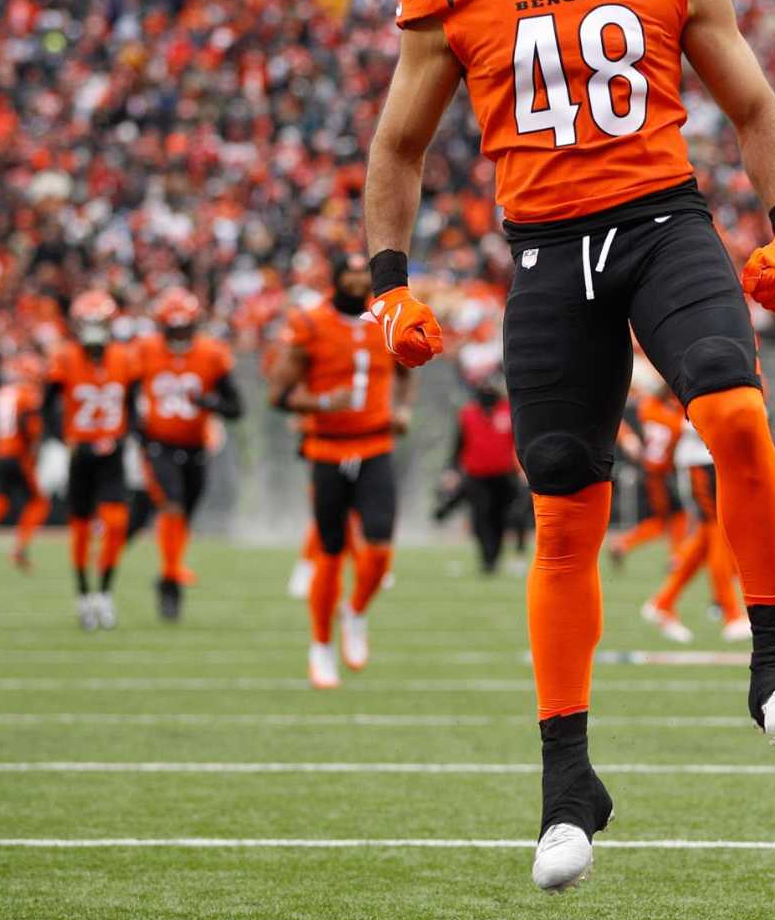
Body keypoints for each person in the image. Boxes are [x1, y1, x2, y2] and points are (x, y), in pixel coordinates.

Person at [361, 0, 775, 892]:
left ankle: (773, 659)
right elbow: (397, 149)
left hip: (665, 224)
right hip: (544, 252)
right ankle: (565, 783)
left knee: (727, 407)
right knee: (564, 502)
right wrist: (388, 286)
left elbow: (752, 104)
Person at [267, 254, 414, 689]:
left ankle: (355, 612)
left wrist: (402, 409)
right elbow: (278, 393)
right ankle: (320, 644)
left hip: (375, 444)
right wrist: (319, 404)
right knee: (330, 552)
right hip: (328, 449)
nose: (354, 282)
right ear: (334, 280)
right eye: (347, 274)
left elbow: (408, 369)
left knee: (381, 547)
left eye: (359, 274)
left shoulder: (385, 318)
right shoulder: (310, 323)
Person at [132, 288, 243, 622]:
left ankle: (168, 573)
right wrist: (137, 430)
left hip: (195, 446)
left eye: (184, 329)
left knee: (184, 516)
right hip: (158, 444)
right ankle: (170, 580)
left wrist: (211, 404)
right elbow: (123, 392)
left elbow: (236, 407)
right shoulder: (144, 351)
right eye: (173, 329)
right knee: (173, 506)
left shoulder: (212, 354)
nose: (179, 336)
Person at [46, 291, 140, 630]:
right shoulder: (66, 358)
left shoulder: (125, 358)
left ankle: (105, 593)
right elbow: (48, 405)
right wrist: (64, 439)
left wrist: (128, 437)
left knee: (116, 524)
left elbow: (134, 404)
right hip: (81, 454)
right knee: (81, 530)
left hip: (112, 454)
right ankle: (84, 595)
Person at [641, 413, 746, 643]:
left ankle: (663, 602)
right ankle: (730, 613)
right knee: (718, 530)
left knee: (708, 538)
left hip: (712, 456)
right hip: (701, 459)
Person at [0, 353, 50, 572]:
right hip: (18, 454)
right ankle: (20, 548)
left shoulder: (2, 393)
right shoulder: (28, 394)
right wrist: (33, 451)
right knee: (38, 501)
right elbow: (30, 427)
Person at [447, 373, 522, 576]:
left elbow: (518, 443)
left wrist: (523, 468)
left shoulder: (508, 411)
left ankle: (495, 556)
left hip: (504, 474)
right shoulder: (468, 414)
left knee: (499, 516)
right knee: (481, 516)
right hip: (476, 474)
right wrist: (452, 470)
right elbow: (458, 445)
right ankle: (487, 558)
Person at [607, 378, 686, 568]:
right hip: (664, 474)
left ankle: (623, 544)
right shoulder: (676, 420)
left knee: (663, 520)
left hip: (648, 469)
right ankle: (675, 556)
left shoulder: (648, 408)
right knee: (676, 517)